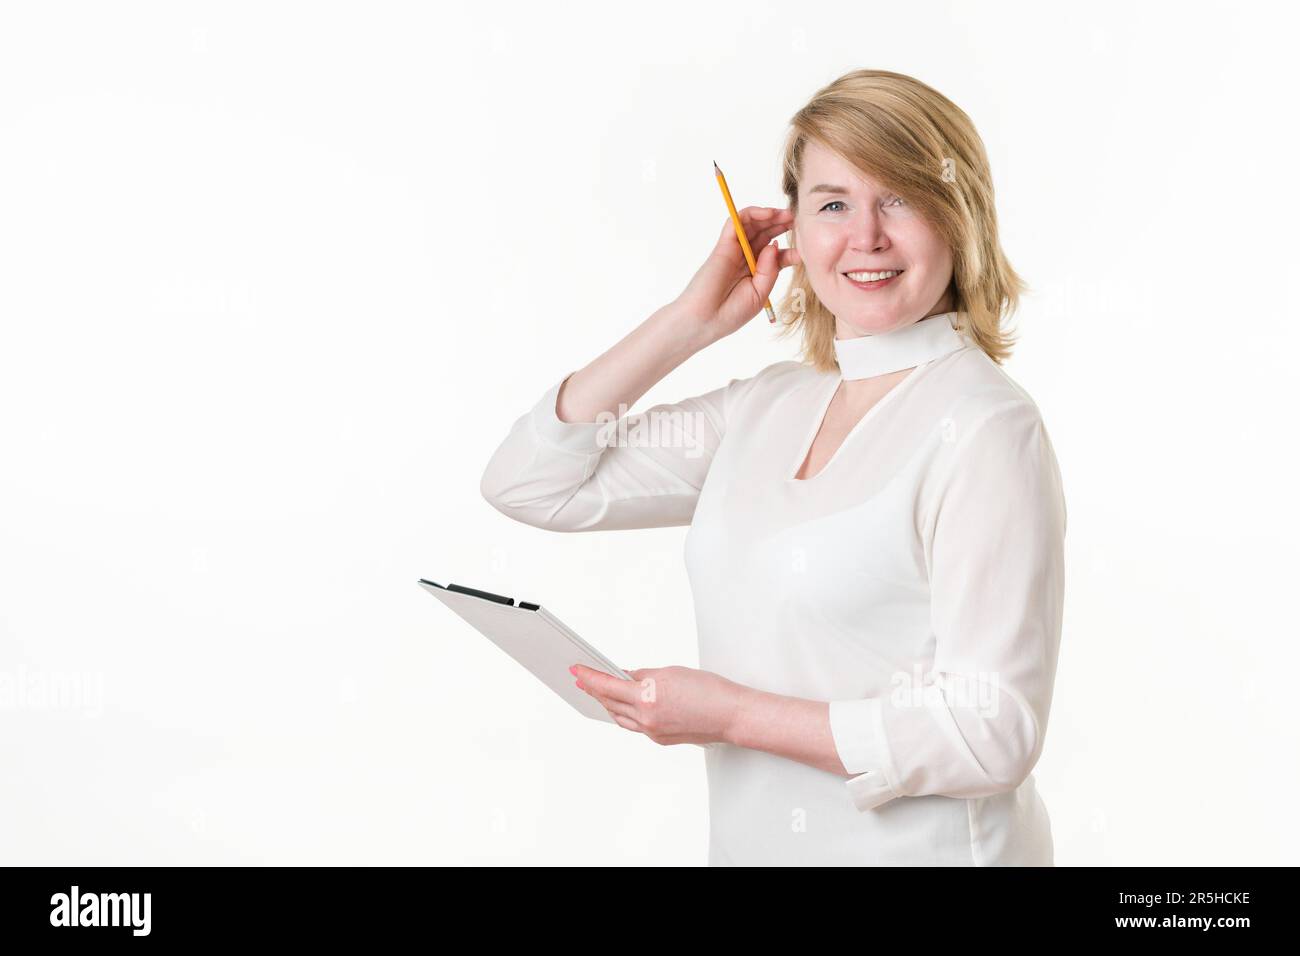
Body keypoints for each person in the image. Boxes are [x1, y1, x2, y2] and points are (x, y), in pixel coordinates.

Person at [479, 69, 1066, 866]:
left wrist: (729, 717)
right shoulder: (767, 406)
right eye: (833, 204)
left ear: (958, 220)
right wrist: (691, 320)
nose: (865, 236)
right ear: (791, 229)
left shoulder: (987, 427)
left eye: (899, 198)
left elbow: (991, 732)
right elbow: (529, 482)